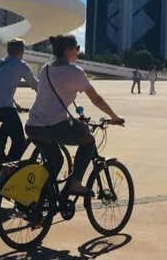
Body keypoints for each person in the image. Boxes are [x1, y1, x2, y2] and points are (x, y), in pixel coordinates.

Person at [25, 35, 124, 196]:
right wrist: (114, 116)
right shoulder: (75, 72)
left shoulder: (45, 69)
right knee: (89, 141)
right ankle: (75, 183)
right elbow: (96, 99)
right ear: (67, 51)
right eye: (77, 48)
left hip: (33, 126)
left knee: (56, 161)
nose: (79, 51)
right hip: (53, 126)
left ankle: (39, 198)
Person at [0, 39, 38, 162]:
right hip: (3, 108)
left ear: (8, 50)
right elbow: (35, 85)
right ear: (21, 51)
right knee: (19, 140)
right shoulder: (21, 65)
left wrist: (14, 103)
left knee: (9, 120)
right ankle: (9, 169)